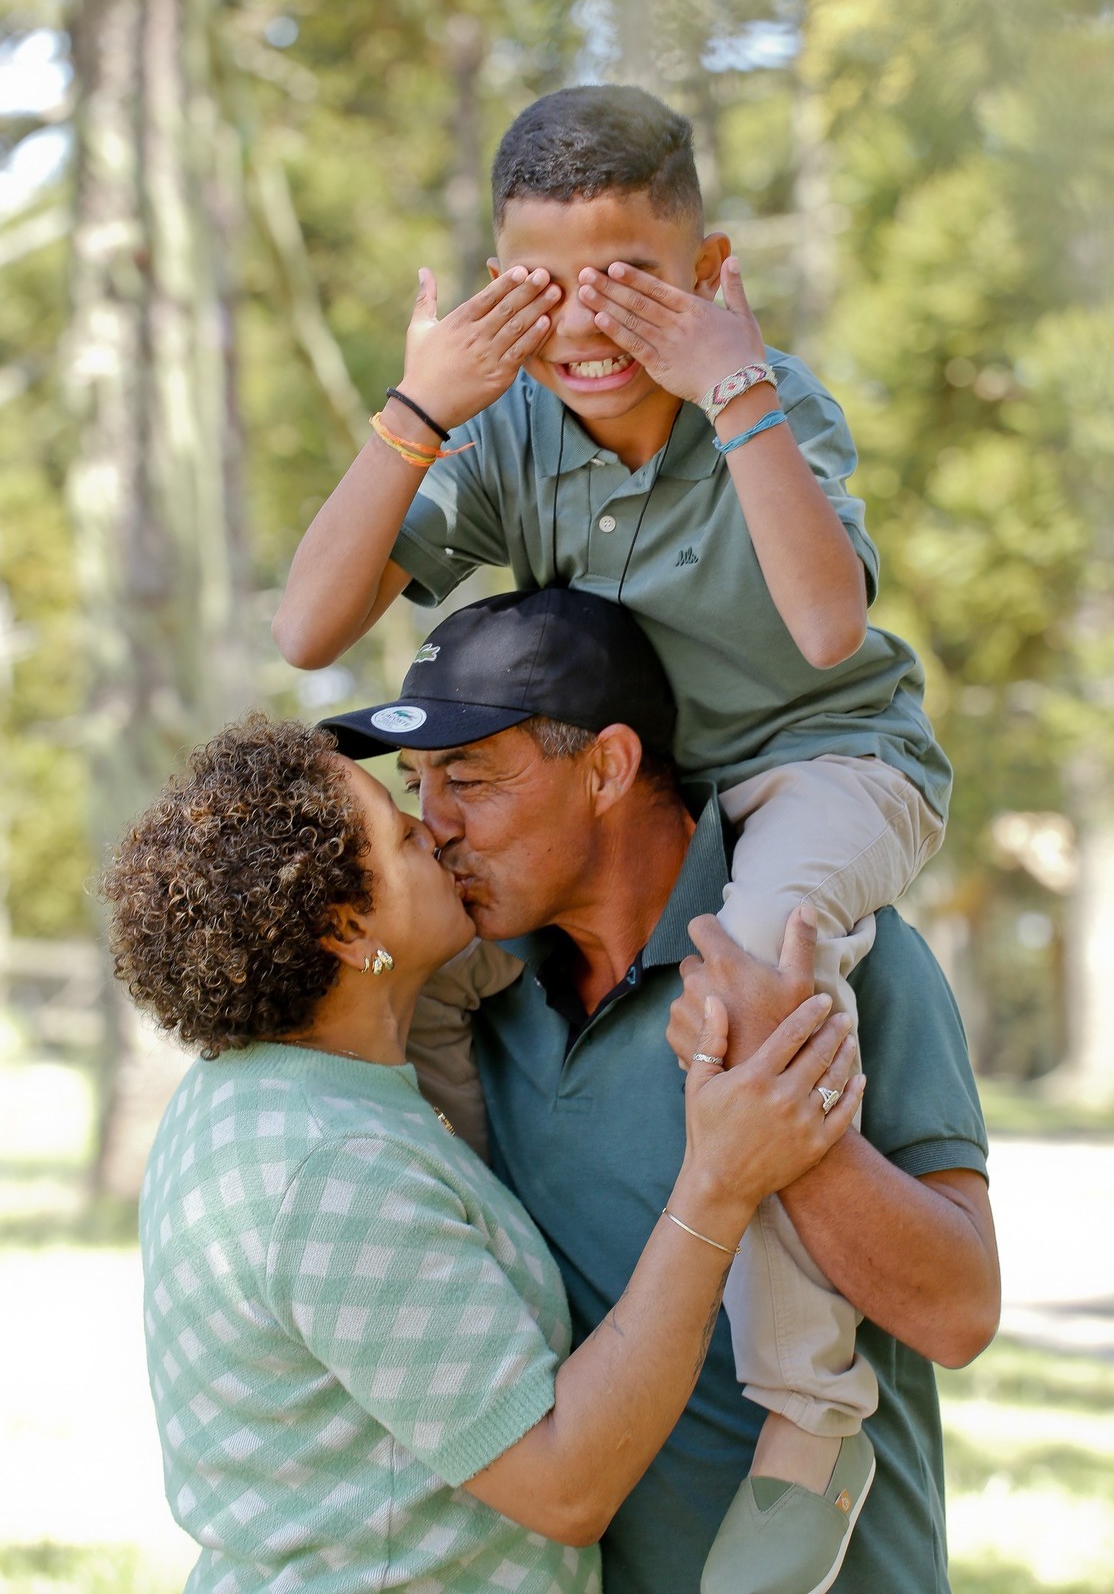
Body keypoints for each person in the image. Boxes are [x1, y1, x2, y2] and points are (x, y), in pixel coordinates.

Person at [275, 83, 952, 1586]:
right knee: (433, 987)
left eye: (629, 277)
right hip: (662, 800)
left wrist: (734, 382)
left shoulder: (766, 396)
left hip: (822, 765)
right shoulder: (511, 435)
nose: (584, 321)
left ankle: (809, 1419)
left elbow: (828, 629)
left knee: (752, 984)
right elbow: (311, 624)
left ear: (707, 269)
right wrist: (420, 409)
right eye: (541, 281)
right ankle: (510, 1310)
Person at [323, 587, 1001, 1594]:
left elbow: (958, 1314)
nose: (439, 826)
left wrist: (776, 1116)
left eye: (468, 779)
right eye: (418, 785)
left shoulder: (832, 958)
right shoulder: (474, 997)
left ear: (607, 767)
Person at [101, 713, 860, 1594]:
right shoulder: (330, 1169)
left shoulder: (260, 1091)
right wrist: (719, 1183)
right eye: (399, 834)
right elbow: (565, 1486)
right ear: (347, 929)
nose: (432, 831)